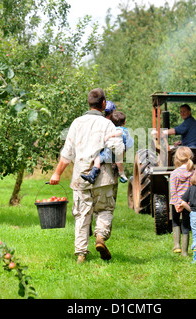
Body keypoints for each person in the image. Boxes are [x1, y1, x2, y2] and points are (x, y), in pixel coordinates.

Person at [49, 88, 124, 264]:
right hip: (103, 177)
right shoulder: (108, 124)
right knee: (104, 209)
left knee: (82, 214)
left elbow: (67, 153)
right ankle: (100, 237)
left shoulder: (77, 123)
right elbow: (118, 150)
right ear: (103, 104)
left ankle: (81, 254)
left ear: (89, 103)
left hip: (80, 175)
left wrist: (57, 173)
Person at [81, 111, 134, 184]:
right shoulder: (126, 132)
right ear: (124, 123)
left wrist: (108, 136)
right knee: (117, 163)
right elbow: (130, 143)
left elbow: (118, 132)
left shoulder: (118, 130)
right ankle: (121, 175)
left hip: (108, 154)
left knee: (97, 159)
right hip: (115, 155)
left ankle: (93, 175)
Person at [169, 146, 194, 257]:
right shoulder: (193, 172)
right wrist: (184, 204)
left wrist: (177, 203)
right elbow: (193, 190)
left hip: (176, 203)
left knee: (175, 222)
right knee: (186, 225)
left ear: (177, 158)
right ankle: (184, 252)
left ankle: (176, 246)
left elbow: (173, 191)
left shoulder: (174, 173)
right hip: (188, 204)